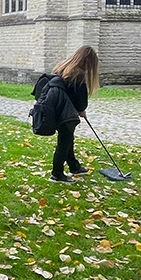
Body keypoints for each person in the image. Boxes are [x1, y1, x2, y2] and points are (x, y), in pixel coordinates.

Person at [49, 45, 99, 183]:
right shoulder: (78, 74)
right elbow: (80, 101)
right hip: (66, 112)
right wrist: (82, 110)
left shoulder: (62, 67)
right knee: (64, 142)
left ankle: (74, 166)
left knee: (67, 139)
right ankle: (57, 173)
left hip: (56, 108)